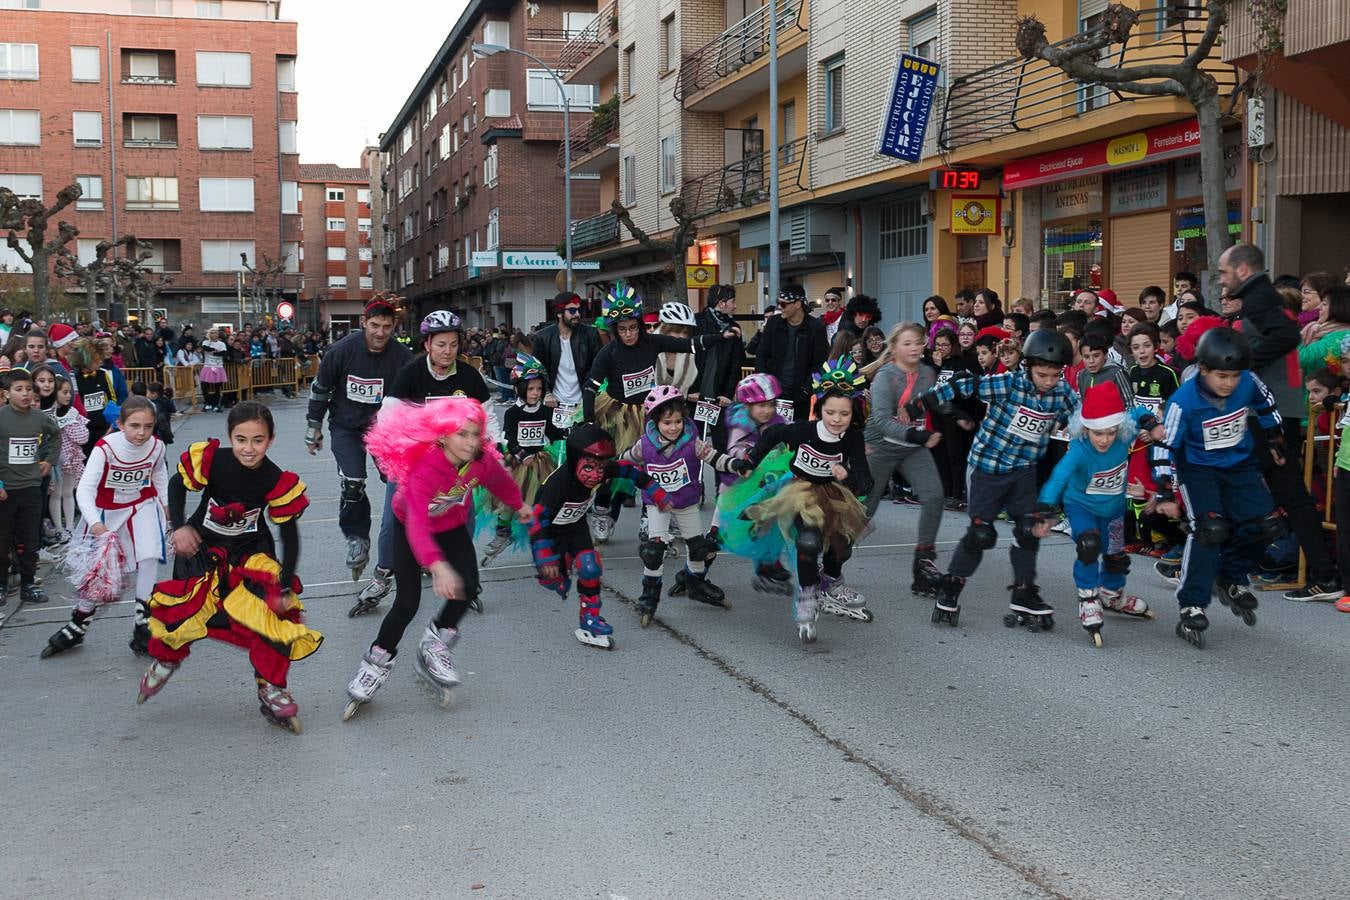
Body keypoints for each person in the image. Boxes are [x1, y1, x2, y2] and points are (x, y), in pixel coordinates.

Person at [136, 402, 317, 733]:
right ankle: (167, 658)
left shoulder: (275, 479)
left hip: (250, 556)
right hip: (202, 548)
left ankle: (271, 687)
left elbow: (289, 534)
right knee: (183, 614)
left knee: (275, 618)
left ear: (271, 440)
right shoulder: (213, 461)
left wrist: (286, 584)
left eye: (258, 440)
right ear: (230, 437)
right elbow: (177, 485)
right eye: (241, 439)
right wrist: (179, 527)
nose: (249, 448)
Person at [343, 398, 530, 718]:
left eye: (476, 434)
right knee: (406, 603)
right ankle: (375, 663)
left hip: (450, 525)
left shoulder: (481, 461)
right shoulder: (426, 470)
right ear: (442, 436)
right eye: (463, 435)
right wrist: (438, 566)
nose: (472, 442)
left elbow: (498, 480)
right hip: (410, 527)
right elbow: (416, 525)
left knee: (468, 586)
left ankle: (435, 642)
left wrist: (518, 503)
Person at [914, 330, 1084, 630]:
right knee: (981, 534)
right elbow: (965, 384)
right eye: (1042, 374)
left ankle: (1023, 591)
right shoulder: (1008, 383)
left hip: (1024, 471)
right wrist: (924, 402)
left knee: (1028, 530)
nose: (1048, 382)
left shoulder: (1062, 393)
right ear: (1028, 365)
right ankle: (951, 586)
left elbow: (1086, 418)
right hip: (988, 468)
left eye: (1055, 375)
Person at [719, 359, 873, 643]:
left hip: (835, 495)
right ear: (820, 408)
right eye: (830, 412)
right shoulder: (806, 430)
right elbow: (774, 434)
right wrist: (751, 460)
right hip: (802, 492)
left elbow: (866, 482)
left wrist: (847, 474)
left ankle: (830, 582)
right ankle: (808, 594)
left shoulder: (852, 439)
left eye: (844, 414)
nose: (837, 419)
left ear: (854, 413)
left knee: (842, 545)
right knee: (808, 541)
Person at [1151, 328, 1286, 647]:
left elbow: (1266, 404)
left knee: (1269, 526)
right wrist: (1165, 490)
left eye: (1234, 376)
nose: (1228, 383)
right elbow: (1163, 445)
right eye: (1221, 376)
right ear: (1204, 370)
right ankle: (1191, 602)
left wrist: (1275, 439)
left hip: (1239, 465)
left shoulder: (1247, 383)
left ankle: (1229, 573)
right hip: (1197, 470)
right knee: (1210, 528)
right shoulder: (1184, 400)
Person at [1222, 244, 1341, 601]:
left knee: (1277, 488)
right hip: (1268, 411)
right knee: (1256, 485)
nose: (1222, 279)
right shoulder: (1260, 298)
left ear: (1244, 270)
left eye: (1225, 271)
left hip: (1270, 414)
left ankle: (1320, 572)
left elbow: (1286, 338)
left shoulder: (1260, 299)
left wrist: (1239, 361)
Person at [581, 282, 735, 542]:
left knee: (653, 466)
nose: (629, 334)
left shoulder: (651, 342)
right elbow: (590, 388)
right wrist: (587, 421)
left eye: (632, 328)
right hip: (618, 414)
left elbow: (689, 345)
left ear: (639, 325)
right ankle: (603, 510)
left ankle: (648, 518)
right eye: (622, 330)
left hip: (647, 412)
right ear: (615, 331)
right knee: (616, 470)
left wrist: (721, 336)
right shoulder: (609, 352)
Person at [1035, 384, 1162, 647]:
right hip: (1081, 507)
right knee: (1089, 546)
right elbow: (1059, 477)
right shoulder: (1081, 449)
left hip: (1113, 509)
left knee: (1116, 556)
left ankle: (1112, 595)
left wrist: (1151, 423)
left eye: (1110, 432)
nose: (1104, 439)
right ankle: (1088, 597)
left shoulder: (1124, 436)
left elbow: (1137, 412)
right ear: (1085, 428)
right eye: (1097, 433)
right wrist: (1046, 510)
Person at [41, 397, 169, 659]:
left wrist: (168, 509)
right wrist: (95, 523)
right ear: (120, 424)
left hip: (140, 506)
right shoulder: (105, 448)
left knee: (149, 556)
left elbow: (159, 476)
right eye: (134, 425)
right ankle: (78, 623)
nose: (141, 432)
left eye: (148, 426)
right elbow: (85, 489)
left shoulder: (156, 447)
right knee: (99, 572)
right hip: (106, 512)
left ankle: (143, 625)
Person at [529, 425, 671, 650]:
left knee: (590, 566)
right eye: (589, 468)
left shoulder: (601, 469)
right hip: (550, 532)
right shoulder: (558, 485)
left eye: (601, 468)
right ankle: (557, 571)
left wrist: (655, 490)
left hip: (575, 527)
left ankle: (589, 618)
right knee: (554, 580)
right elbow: (536, 520)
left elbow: (630, 470)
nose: (596, 475)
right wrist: (545, 557)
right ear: (576, 460)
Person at [304, 297, 412, 581]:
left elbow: (413, 400)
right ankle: (357, 539)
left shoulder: (402, 358)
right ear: (364, 323)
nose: (380, 333)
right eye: (374, 325)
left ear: (394, 327)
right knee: (352, 484)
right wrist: (313, 426)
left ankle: (412, 543)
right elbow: (321, 389)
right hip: (346, 428)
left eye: (386, 327)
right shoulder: (340, 352)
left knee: (401, 484)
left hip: (384, 431)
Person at [624, 385, 748, 627]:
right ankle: (648, 599)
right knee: (653, 553)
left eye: (678, 421)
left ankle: (695, 584)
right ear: (656, 421)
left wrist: (736, 465)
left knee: (699, 549)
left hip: (686, 502)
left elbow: (715, 458)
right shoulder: (645, 445)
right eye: (667, 422)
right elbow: (625, 461)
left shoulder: (693, 442)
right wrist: (604, 468)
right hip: (658, 505)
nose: (673, 427)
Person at [862, 323, 945, 599]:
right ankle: (830, 563)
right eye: (907, 343)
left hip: (911, 447)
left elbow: (936, 402)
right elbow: (882, 421)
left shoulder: (928, 373)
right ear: (895, 347)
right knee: (864, 511)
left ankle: (923, 564)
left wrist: (956, 407)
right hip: (880, 446)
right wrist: (919, 436)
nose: (914, 348)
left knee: (934, 496)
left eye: (919, 343)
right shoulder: (886, 376)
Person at [710, 373, 793, 595]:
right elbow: (734, 450)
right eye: (761, 406)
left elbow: (789, 437)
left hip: (765, 486)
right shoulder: (741, 423)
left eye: (771, 405)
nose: (767, 410)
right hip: (736, 486)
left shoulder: (777, 421)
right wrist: (748, 455)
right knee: (719, 534)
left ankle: (767, 566)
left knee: (766, 526)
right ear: (747, 405)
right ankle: (695, 573)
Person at [479, 353, 564, 567]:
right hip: (518, 462)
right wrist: (520, 454)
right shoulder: (513, 413)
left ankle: (545, 542)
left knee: (542, 502)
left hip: (540, 462)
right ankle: (503, 532)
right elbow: (509, 438)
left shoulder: (545, 411)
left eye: (538, 389)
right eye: (531, 389)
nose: (535, 393)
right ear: (519, 389)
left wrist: (567, 432)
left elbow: (552, 433)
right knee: (510, 499)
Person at [0, 369, 61, 606]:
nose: (25, 394)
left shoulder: (39, 418)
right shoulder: (2, 417)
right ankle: (3, 584)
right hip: (6, 490)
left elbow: (55, 435)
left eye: (28, 389)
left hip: (31, 487)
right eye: (19, 390)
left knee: (29, 539)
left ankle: (28, 584)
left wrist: (49, 460)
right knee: (3, 540)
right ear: (6, 394)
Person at [753, 284, 828, 423]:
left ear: (798, 304)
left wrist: (806, 390)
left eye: (783, 304)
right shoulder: (774, 323)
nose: (780, 307)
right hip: (773, 392)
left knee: (797, 435)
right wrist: (764, 384)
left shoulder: (816, 328)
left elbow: (820, 363)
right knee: (771, 433)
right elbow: (761, 354)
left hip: (801, 394)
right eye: (778, 303)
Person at [535, 292, 603, 423]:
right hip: (554, 405)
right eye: (572, 310)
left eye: (579, 310)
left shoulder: (590, 334)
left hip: (583, 404)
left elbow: (597, 369)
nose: (577, 314)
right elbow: (538, 369)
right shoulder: (543, 338)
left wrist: (589, 395)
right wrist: (546, 393)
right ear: (559, 313)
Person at [199, 329, 228, 412]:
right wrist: (214, 350)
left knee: (217, 387)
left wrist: (214, 352)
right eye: (212, 333)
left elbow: (224, 353)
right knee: (204, 385)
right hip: (208, 365)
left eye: (215, 333)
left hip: (218, 366)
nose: (214, 334)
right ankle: (207, 403)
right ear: (209, 334)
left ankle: (216, 404)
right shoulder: (206, 342)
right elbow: (205, 348)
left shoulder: (221, 343)